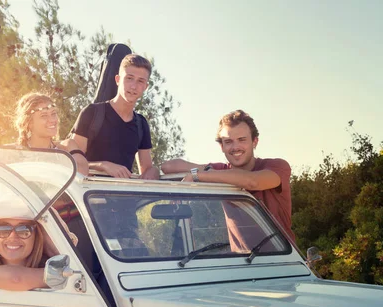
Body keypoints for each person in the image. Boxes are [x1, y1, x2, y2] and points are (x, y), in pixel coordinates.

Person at [160, 109, 295, 241]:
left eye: (242, 140)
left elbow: (253, 182)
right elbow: (168, 166)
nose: (235, 147)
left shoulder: (277, 166)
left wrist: (196, 175)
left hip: (282, 259)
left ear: (255, 142)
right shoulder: (219, 171)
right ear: (222, 147)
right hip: (239, 260)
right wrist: (153, 170)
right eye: (228, 142)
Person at [70, 54, 160, 180]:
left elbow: (147, 170)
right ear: (117, 80)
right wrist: (103, 165)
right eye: (129, 78)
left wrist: (154, 171)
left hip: (120, 197)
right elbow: (71, 162)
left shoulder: (141, 124)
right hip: (88, 195)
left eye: (140, 81)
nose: (134, 86)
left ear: (145, 87)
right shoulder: (92, 113)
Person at [14, 92, 89, 175]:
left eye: (53, 114)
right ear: (29, 123)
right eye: (44, 116)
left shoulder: (67, 147)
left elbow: (82, 171)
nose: (52, 120)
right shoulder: (11, 153)